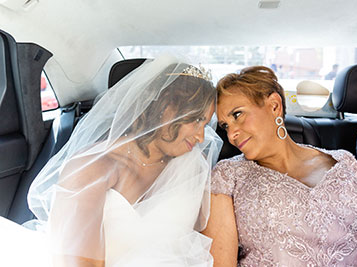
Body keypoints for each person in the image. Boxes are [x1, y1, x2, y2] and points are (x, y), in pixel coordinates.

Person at [0, 55, 222, 267]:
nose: (201, 137)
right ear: (165, 109)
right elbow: (78, 262)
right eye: (196, 120)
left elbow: (202, 242)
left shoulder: (193, 164)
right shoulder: (93, 167)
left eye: (205, 124)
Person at [202, 66, 357, 266]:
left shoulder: (346, 163)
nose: (231, 135)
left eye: (237, 115)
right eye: (225, 126)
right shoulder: (227, 176)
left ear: (274, 105)